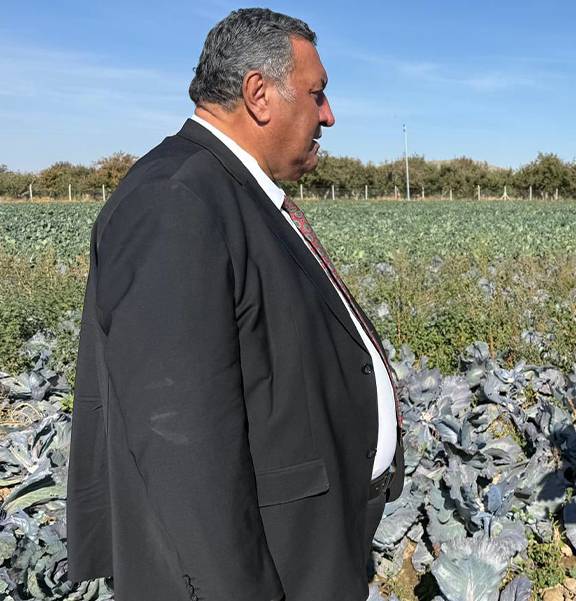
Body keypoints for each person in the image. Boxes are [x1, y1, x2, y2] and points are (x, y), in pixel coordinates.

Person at [65, 9, 403, 600]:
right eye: (317, 93)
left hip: (302, 542)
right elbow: (180, 442)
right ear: (259, 94)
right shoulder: (177, 198)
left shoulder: (229, 188)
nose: (328, 114)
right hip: (264, 565)